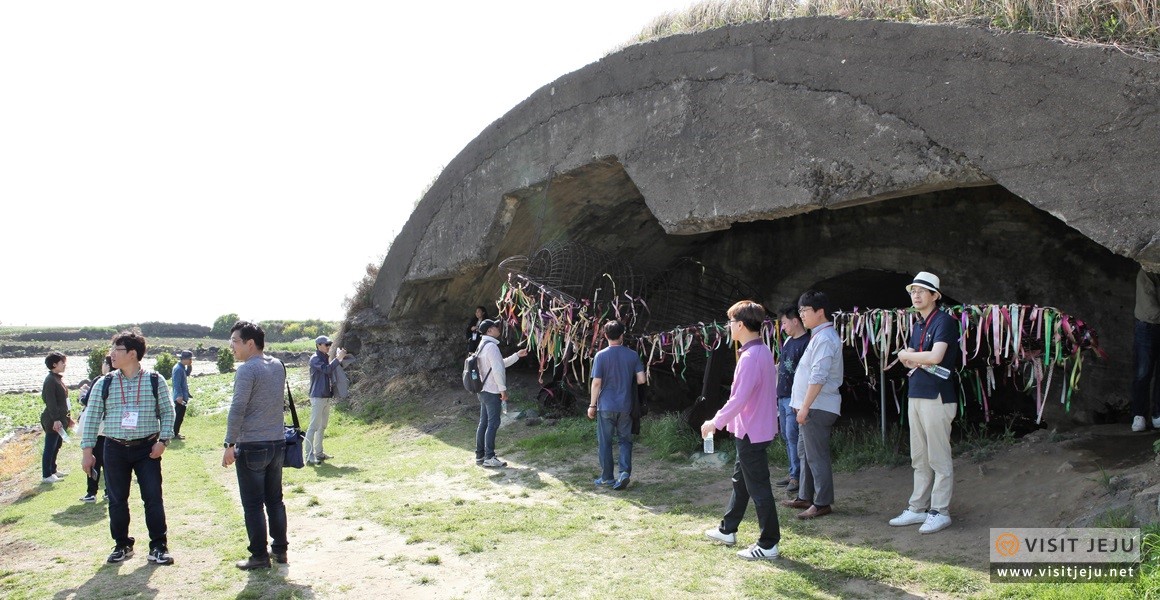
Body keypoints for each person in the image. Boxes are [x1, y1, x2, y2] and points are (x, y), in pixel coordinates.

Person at [80, 330, 176, 565]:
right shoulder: (105, 382)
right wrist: (87, 452)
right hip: (114, 448)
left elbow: (168, 412)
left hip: (147, 449)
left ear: (132, 354)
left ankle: (158, 546)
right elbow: (91, 418)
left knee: (153, 498)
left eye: (117, 349)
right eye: (112, 349)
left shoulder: (155, 380)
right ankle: (122, 544)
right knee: (117, 500)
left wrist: (163, 441)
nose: (111, 354)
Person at [701, 301, 781, 560]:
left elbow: (739, 399)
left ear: (742, 325)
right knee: (741, 482)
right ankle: (728, 529)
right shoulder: (762, 351)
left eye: (731, 322)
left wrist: (715, 422)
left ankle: (768, 543)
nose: (729, 326)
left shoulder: (750, 357)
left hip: (751, 432)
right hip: (753, 429)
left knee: (758, 488)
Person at [889, 271, 962, 534]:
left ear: (934, 295)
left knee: (938, 457)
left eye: (921, 291)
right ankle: (917, 507)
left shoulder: (945, 321)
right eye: (913, 291)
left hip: (937, 395)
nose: (916, 295)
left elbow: (935, 356)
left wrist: (908, 355)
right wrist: (911, 356)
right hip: (917, 393)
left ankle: (940, 511)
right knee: (918, 456)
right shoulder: (918, 324)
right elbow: (913, 360)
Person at [222, 321, 289, 570]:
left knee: (253, 504)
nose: (231, 347)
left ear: (250, 343)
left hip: (252, 444)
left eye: (235, 342)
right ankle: (280, 550)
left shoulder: (247, 370)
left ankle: (259, 556)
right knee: (275, 501)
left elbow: (238, 407)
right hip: (277, 442)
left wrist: (229, 443)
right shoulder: (277, 365)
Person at [783, 290, 842, 520]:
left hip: (817, 406)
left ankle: (822, 502)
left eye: (805, 310)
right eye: (800, 310)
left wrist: (805, 406)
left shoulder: (825, 338)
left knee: (816, 456)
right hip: (809, 406)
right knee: (805, 453)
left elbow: (818, 376)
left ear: (820, 312)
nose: (801, 315)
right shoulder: (817, 335)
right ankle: (805, 496)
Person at [587, 320, 646, 491]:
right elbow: (641, 380)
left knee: (605, 442)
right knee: (625, 441)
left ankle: (607, 477)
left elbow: (596, 383)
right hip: (626, 406)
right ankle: (624, 472)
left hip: (605, 406)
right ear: (622, 335)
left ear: (605, 335)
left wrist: (592, 405)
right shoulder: (632, 355)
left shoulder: (600, 356)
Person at [474, 319, 527, 467]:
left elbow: (498, 364)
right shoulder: (492, 347)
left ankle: (480, 455)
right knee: (493, 423)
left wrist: (517, 355)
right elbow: (497, 370)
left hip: (482, 389)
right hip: (492, 390)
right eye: (496, 327)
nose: (499, 328)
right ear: (489, 331)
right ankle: (489, 457)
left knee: (484, 423)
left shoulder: (482, 345)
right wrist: (502, 390)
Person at [774, 306, 810, 494]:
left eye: (785, 323)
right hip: (782, 395)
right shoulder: (788, 341)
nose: (783, 327)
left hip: (794, 398)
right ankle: (793, 472)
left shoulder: (807, 343)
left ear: (795, 321)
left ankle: (797, 476)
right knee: (787, 436)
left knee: (793, 436)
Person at [306, 335, 346, 465]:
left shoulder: (323, 357)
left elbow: (329, 370)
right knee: (313, 427)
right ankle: (309, 456)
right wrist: (338, 359)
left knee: (322, 426)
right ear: (318, 345)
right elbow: (326, 369)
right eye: (326, 344)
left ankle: (319, 453)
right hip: (318, 396)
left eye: (330, 344)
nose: (329, 346)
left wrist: (337, 359)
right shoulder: (315, 358)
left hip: (325, 396)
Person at [77, 355, 113, 502]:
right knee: (109, 461)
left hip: (97, 428)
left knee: (94, 459)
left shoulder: (100, 380)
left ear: (108, 365)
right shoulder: (120, 380)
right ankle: (109, 491)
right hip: (111, 427)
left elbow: (87, 401)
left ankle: (91, 492)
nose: (103, 365)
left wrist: (82, 395)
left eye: (104, 362)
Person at [1131, 267, 1160, 432]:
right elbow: (1150, 309)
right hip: (1147, 328)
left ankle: (1158, 414)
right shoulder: (1146, 272)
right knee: (1143, 372)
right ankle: (1139, 415)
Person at [41, 351, 72, 484]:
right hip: (52, 419)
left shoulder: (57, 379)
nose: (64, 364)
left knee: (57, 445)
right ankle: (46, 474)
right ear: (54, 364)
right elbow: (50, 401)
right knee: (50, 446)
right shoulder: (50, 380)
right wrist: (56, 419)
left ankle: (53, 470)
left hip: (61, 418)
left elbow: (64, 401)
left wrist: (68, 417)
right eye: (62, 362)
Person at [171, 350, 193, 440]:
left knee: (180, 416)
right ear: (185, 359)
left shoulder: (182, 367)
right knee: (178, 416)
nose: (191, 360)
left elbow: (187, 373)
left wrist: (190, 366)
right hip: (179, 397)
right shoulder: (178, 369)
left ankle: (175, 433)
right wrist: (179, 396)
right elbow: (177, 384)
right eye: (190, 359)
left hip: (182, 395)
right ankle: (174, 434)